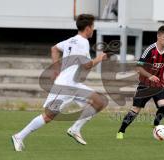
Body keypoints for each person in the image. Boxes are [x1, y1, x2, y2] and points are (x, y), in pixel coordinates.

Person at [12, 14, 108, 151]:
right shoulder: (82, 42)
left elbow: (54, 48)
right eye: (92, 27)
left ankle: (75, 129)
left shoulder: (71, 40)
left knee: (99, 102)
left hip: (72, 85)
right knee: (48, 116)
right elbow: (87, 65)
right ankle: (19, 136)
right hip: (65, 86)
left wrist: (55, 69)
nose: (93, 29)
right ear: (87, 28)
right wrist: (99, 58)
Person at [116, 25, 164, 139]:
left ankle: (156, 125)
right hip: (145, 85)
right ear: (158, 36)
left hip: (159, 85)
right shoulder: (150, 50)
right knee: (135, 110)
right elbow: (139, 68)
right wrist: (150, 76)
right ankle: (121, 131)